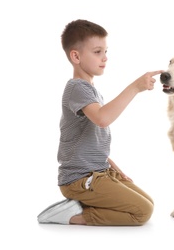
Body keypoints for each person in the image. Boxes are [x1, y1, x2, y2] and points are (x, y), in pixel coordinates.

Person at [37, 19, 163, 226]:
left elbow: (92, 144)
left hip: (99, 172)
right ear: (76, 56)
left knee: (148, 202)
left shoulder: (91, 92)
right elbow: (103, 119)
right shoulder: (77, 88)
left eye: (105, 51)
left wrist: (115, 168)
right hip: (78, 180)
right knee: (142, 212)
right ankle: (73, 215)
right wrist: (135, 87)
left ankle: (81, 203)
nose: (105, 58)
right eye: (97, 52)